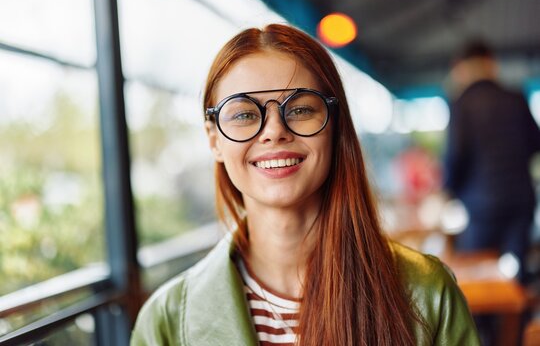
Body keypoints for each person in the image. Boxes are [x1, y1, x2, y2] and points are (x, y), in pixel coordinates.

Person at [131, 24, 479, 345]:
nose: (274, 131)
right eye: (244, 114)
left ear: (335, 127)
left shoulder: (428, 292)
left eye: (299, 110)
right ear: (214, 140)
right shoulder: (165, 321)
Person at [443, 41, 540, 282]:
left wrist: (448, 190)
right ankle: (519, 320)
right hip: (520, 201)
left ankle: (483, 321)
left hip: (481, 207)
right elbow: (535, 144)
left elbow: (456, 156)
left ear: (462, 68)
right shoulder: (515, 98)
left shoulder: (462, 103)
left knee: (478, 275)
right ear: (491, 64)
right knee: (516, 275)